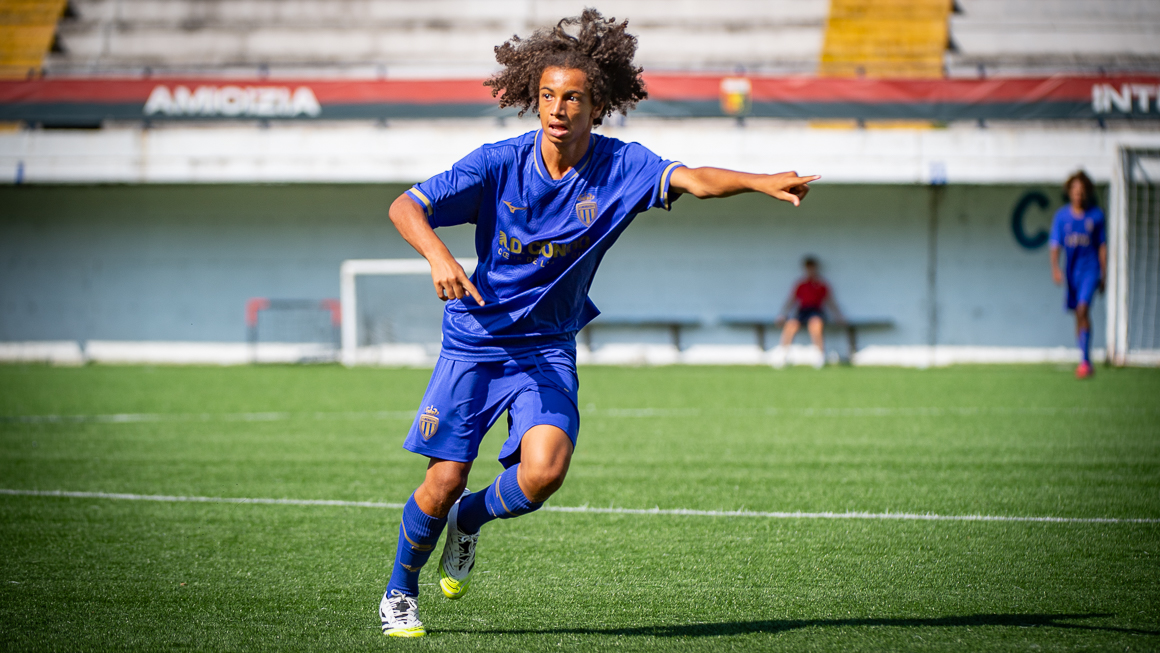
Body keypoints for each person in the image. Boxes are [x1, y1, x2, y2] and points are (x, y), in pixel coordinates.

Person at [377, 9, 820, 637]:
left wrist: (760, 182)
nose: (558, 109)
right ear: (535, 101)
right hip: (475, 342)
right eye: (548, 97)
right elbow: (406, 205)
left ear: (598, 105)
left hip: (548, 347)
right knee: (442, 480)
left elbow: (693, 180)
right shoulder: (496, 163)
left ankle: (472, 520)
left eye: (573, 98)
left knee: (543, 474)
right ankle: (400, 590)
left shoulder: (622, 167)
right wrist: (439, 255)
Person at [1049, 170, 1106, 379]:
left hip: (1090, 271)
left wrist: (1104, 274)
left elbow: (1102, 246)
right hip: (1072, 273)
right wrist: (1055, 268)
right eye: (1075, 191)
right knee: (1078, 314)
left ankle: (1085, 361)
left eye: (1082, 192)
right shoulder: (1062, 217)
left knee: (1083, 309)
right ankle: (1084, 357)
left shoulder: (1096, 216)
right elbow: (1055, 245)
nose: (1078, 195)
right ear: (1069, 192)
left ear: (1087, 193)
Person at [771, 256, 844, 369]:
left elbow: (830, 302)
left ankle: (819, 355)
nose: (810, 271)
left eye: (812, 268)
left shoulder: (821, 285)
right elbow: (791, 301)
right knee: (791, 325)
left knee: (815, 324)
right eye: (808, 268)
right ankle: (783, 355)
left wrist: (838, 316)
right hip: (802, 311)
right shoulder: (801, 284)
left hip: (816, 310)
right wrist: (782, 315)